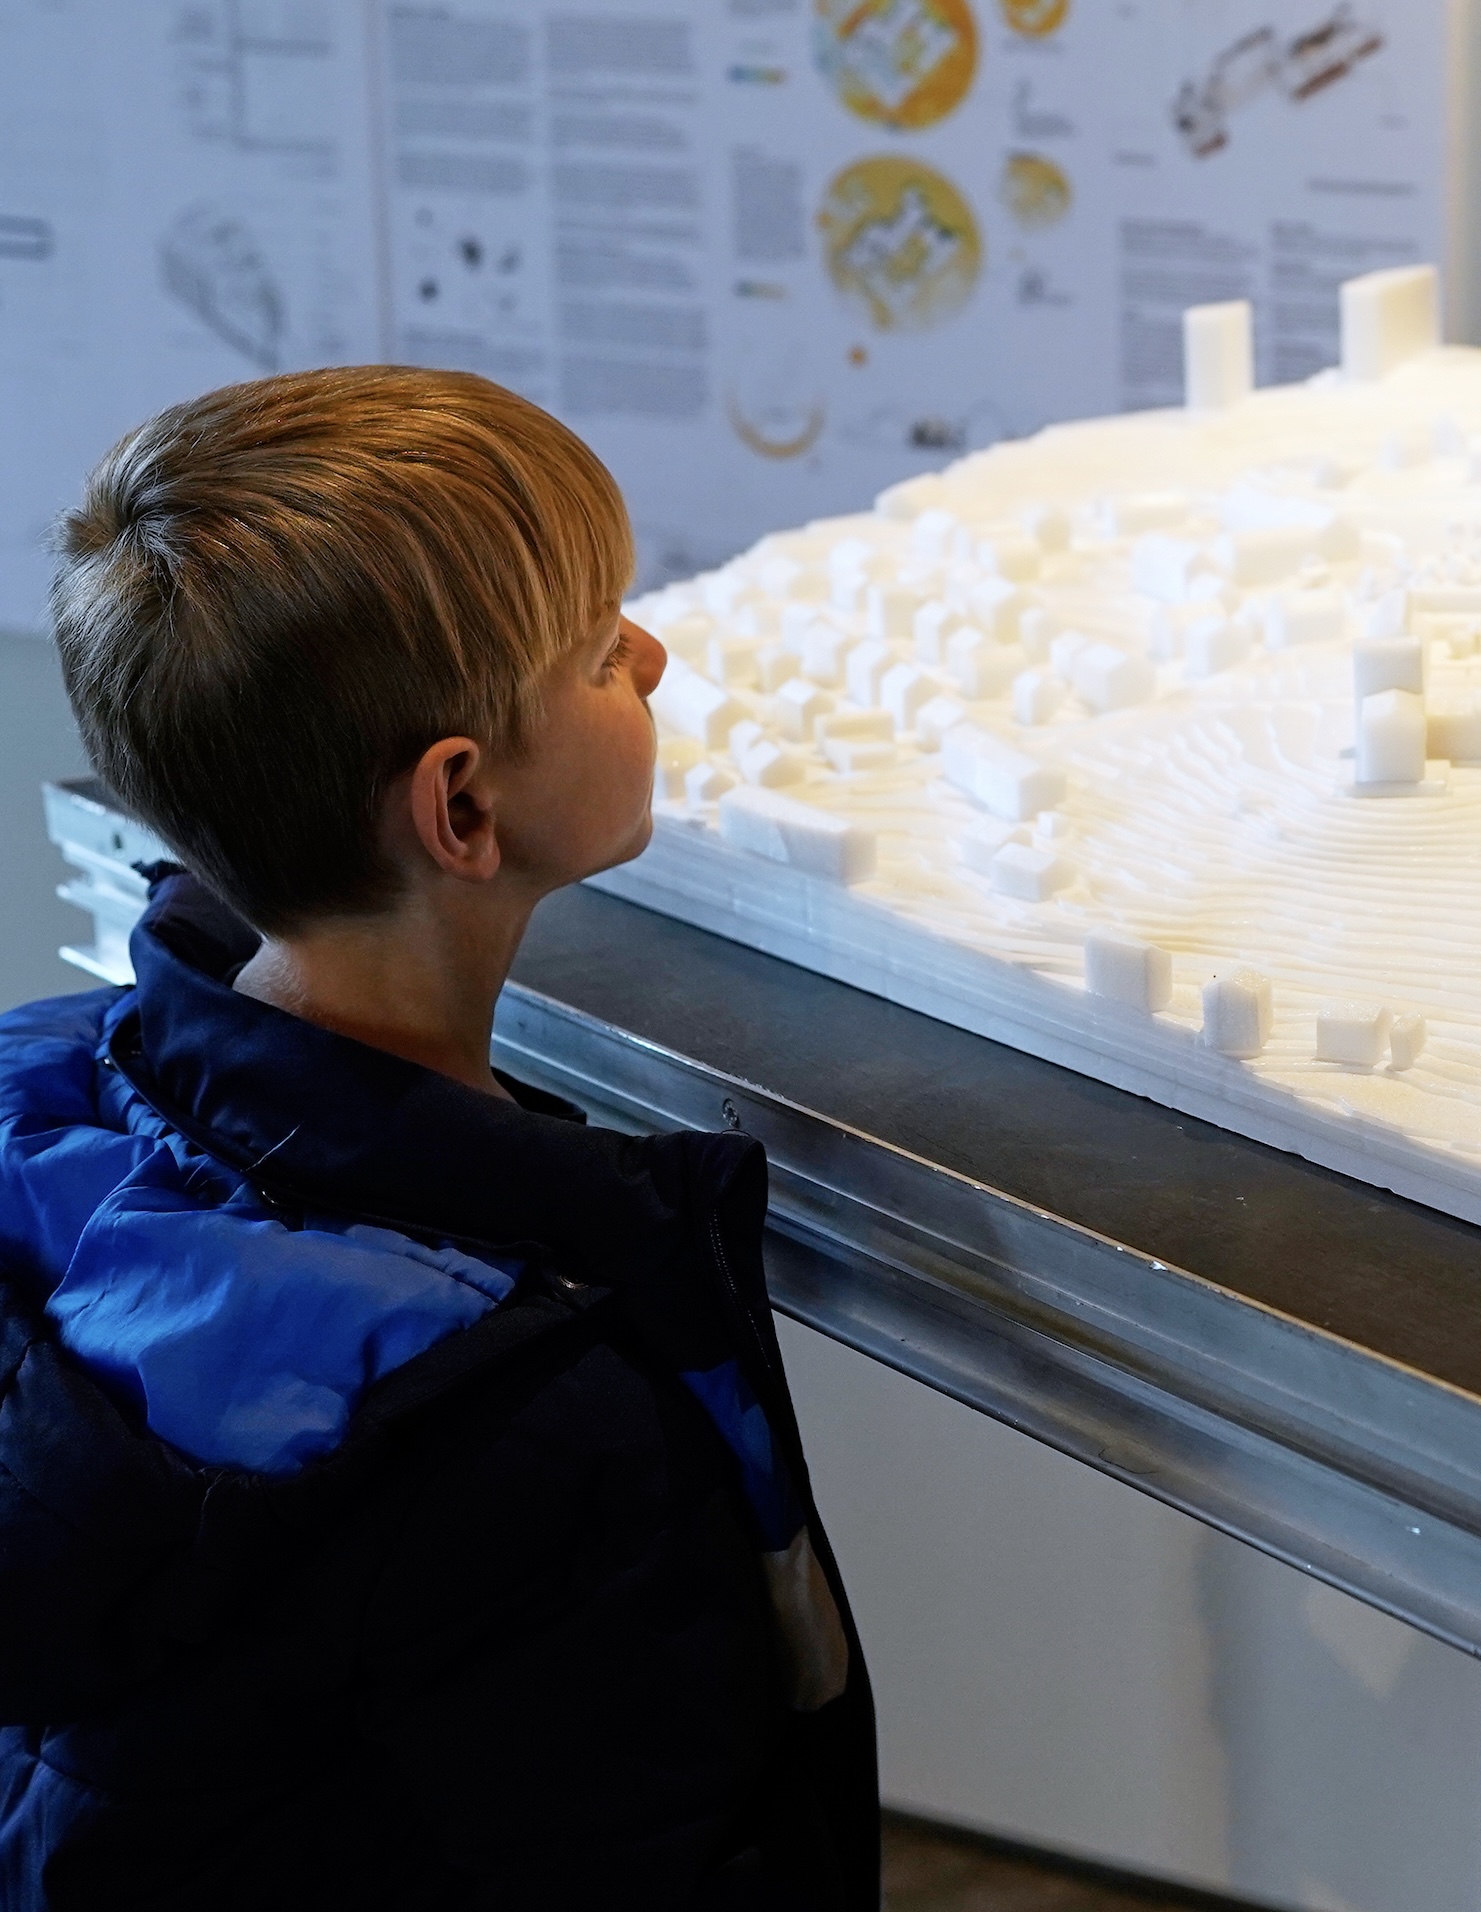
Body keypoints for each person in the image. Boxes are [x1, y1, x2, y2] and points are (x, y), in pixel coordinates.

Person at [0, 368, 876, 1907]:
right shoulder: (525, 1418)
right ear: (461, 809)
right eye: (600, 652)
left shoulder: (39, 1092)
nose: (655, 658)